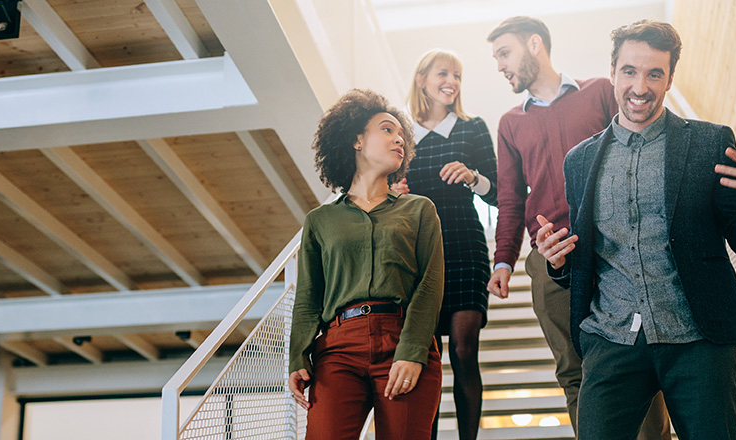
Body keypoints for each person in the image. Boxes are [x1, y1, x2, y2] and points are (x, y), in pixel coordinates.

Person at [533, 20, 736, 440]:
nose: (639, 86)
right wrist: (557, 261)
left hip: (698, 339)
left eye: (654, 74)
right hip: (610, 340)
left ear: (670, 78)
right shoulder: (580, 160)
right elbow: (585, 260)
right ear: (612, 72)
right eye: (629, 71)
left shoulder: (709, 142)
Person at [484, 16, 670, 437]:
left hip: (611, 252)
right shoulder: (511, 123)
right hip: (549, 260)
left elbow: (636, 151)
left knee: (639, 357)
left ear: (534, 44)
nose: (499, 65)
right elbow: (511, 197)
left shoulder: (601, 92)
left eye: (503, 53)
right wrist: (503, 261)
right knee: (574, 372)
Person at [287, 89, 446, 440]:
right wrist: (297, 355)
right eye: (387, 130)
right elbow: (308, 296)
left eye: (401, 134)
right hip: (338, 349)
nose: (399, 139)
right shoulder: (320, 221)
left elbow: (430, 285)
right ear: (357, 140)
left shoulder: (420, 210)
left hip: (402, 336)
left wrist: (413, 349)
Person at [392, 49, 497, 440]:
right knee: (427, 359)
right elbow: (383, 196)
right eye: (443, 73)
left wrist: (473, 177)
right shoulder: (401, 134)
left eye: (457, 75)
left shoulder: (473, 128)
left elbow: (502, 193)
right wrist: (394, 192)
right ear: (422, 79)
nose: (451, 81)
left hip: (466, 246)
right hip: (419, 255)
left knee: (464, 351)